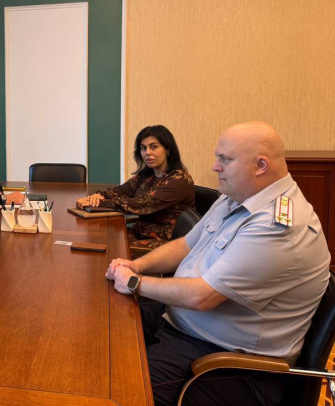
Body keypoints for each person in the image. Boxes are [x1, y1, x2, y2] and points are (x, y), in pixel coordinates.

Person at [107, 121, 331, 406]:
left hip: (223, 361)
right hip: (182, 325)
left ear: (260, 165)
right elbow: (185, 245)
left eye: (225, 159)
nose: (215, 167)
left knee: (118, 389)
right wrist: (136, 266)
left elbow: (203, 296)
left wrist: (133, 283)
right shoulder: (235, 198)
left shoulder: (277, 227)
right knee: (105, 326)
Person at [76, 125, 194, 250]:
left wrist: (98, 203)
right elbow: (120, 191)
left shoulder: (179, 179)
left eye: (154, 147)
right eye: (143, 148)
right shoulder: (147, 175)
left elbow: (141, 205)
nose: (147, 152)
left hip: (166, 243)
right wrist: (99, 196)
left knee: (109, 248)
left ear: (168, 150)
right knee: (98, 239)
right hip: (139, 233)